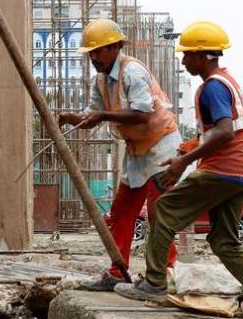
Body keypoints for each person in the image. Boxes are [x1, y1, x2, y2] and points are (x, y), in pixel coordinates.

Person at [115, 21, 243, 319]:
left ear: (202, 55)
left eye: (187, 55)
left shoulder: (212, 87)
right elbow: (216, 133)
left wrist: (184, 162)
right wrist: (183, 150)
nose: (183, 60)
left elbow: (224, 133)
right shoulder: (227, 82)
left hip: (223, 170)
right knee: (224, 241)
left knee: (164, 209)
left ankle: (154, 283)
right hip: (242, 173)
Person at [57, 18, 181, 290]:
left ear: (114, 47)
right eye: (90, 53)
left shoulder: (132, 72)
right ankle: (118, 271)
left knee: (158, 213)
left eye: (97, 51)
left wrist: (102, 115)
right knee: (122, 210)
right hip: (137, 150)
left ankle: (163, 274)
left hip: (161, 146)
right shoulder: (101, 80)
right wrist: (70, 118)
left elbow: (142, 113)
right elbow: (92, 115)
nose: (93, 58)